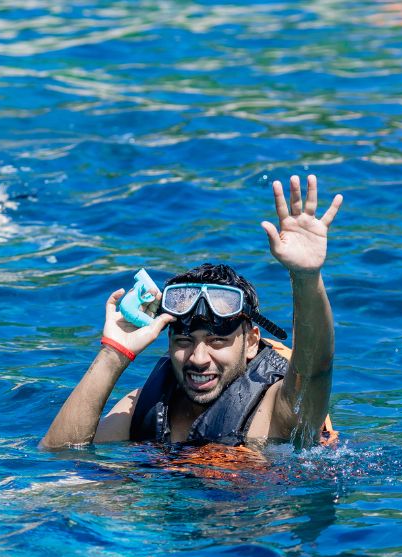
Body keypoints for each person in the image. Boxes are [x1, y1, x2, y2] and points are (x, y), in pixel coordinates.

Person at [41, 175, 343, 451]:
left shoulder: (278, 408)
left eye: (216, 342)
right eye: (184, 341)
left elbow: (316, 367)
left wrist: (306, 278)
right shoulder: (143, 406)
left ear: (251, 342)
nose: (198, 359)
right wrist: (113, 354)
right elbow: (61, 459)